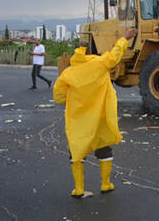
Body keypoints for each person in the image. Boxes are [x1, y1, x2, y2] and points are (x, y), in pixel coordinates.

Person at [53, 28, 137, 198]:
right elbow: (115, 55)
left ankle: (79, 188)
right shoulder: (99, 63)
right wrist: (124, 38)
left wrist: (74, 100)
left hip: (78, 118)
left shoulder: (68, 73)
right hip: (99, 116)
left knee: (77, 150)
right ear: (90, 52)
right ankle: (106, 184)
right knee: (103, 147)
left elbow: (59, 96)